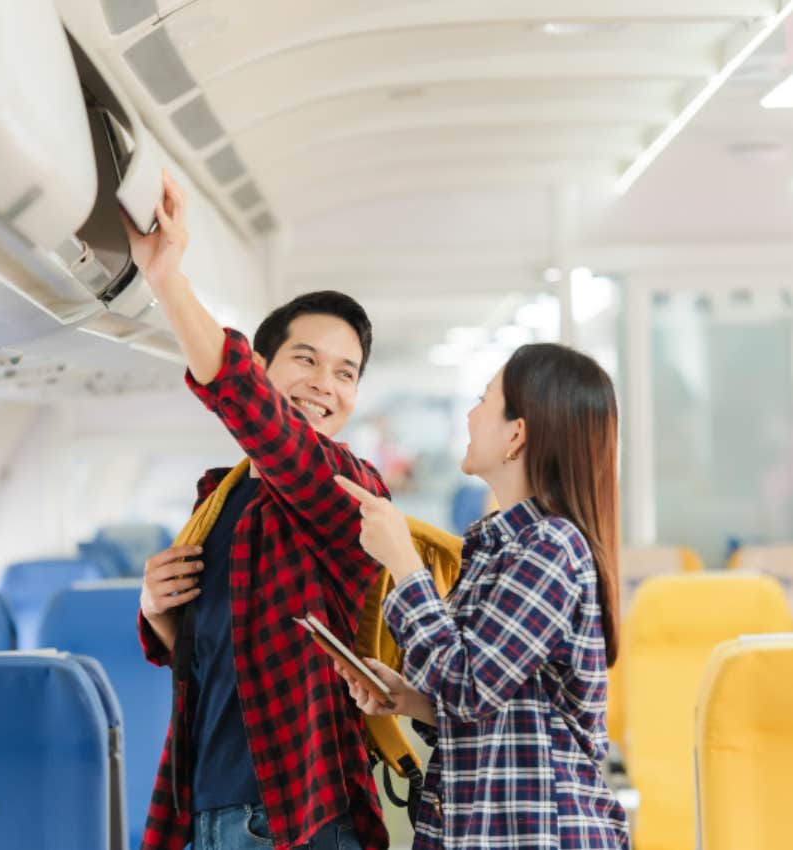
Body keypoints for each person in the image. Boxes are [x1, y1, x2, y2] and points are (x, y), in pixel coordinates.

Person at [126, 172, 390, 850]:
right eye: (306, 359)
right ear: (269, 366)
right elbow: (218, 656)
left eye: (345, 372)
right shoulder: (221, 498)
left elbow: (249, 407)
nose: (325, 385)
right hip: (208, 807)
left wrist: (167, 281)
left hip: (296, 814)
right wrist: (160, 614)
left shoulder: (348, 488)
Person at [334, 344, 631, 849]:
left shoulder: (551, 546)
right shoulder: (497, 547)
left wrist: (404, 564)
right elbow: (496, 706)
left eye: (483, 400)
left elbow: (469, 688)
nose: (470, 415)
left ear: (516, 433)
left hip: (538, 833)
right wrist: (409, 699)